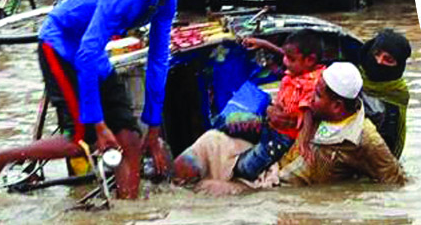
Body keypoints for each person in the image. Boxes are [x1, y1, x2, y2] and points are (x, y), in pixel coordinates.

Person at [0, 0, 207, 199]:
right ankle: (3, 156)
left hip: (93, 55)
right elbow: (85, 53)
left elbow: (158, 59)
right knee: (80, 141)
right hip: (60, 46)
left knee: (130, 138)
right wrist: (97, 123)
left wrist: (153, 125)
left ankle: (125, 209)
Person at [174, 62, 405, 194]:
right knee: (210, 140)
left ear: (336, 106)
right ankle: (164, 186)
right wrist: (272, 113)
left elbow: (395, 182)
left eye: (317, 95)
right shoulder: (315, 110)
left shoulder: (364, 138)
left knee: (206, 189)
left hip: (276, 187)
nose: (310, 98)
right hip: (267, 160)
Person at [226, 29, 327, 181]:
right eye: (285, 57)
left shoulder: (313, 82)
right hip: (270, 124)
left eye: (290, 59)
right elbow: (288, 54)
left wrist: (304, 142)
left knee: (245, 169)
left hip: (283, 137)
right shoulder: (299, 68)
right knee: (230, 122)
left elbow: (306, 112)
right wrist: (264, 44)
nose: (285, 61)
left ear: (310, 60)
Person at [358, 29, 412, 158]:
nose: (378, 62)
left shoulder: (397, 92)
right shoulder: (351, 73)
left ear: (397, 65)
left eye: (387, 59)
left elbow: (396, 136)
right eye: (376, 54)